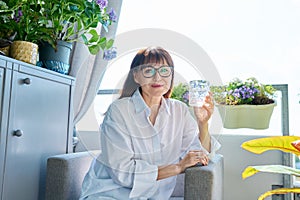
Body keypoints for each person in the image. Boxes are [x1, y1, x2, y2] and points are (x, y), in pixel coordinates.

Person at [80, 46, 220, 199]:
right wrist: (178, 167)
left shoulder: (179, 110)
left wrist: (203, 124)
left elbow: (200, 156)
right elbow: (122, 172)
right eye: (148, 71)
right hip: (109, 193)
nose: (157, 78)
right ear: (136, 76)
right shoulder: (119, 110)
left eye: (164, 71)